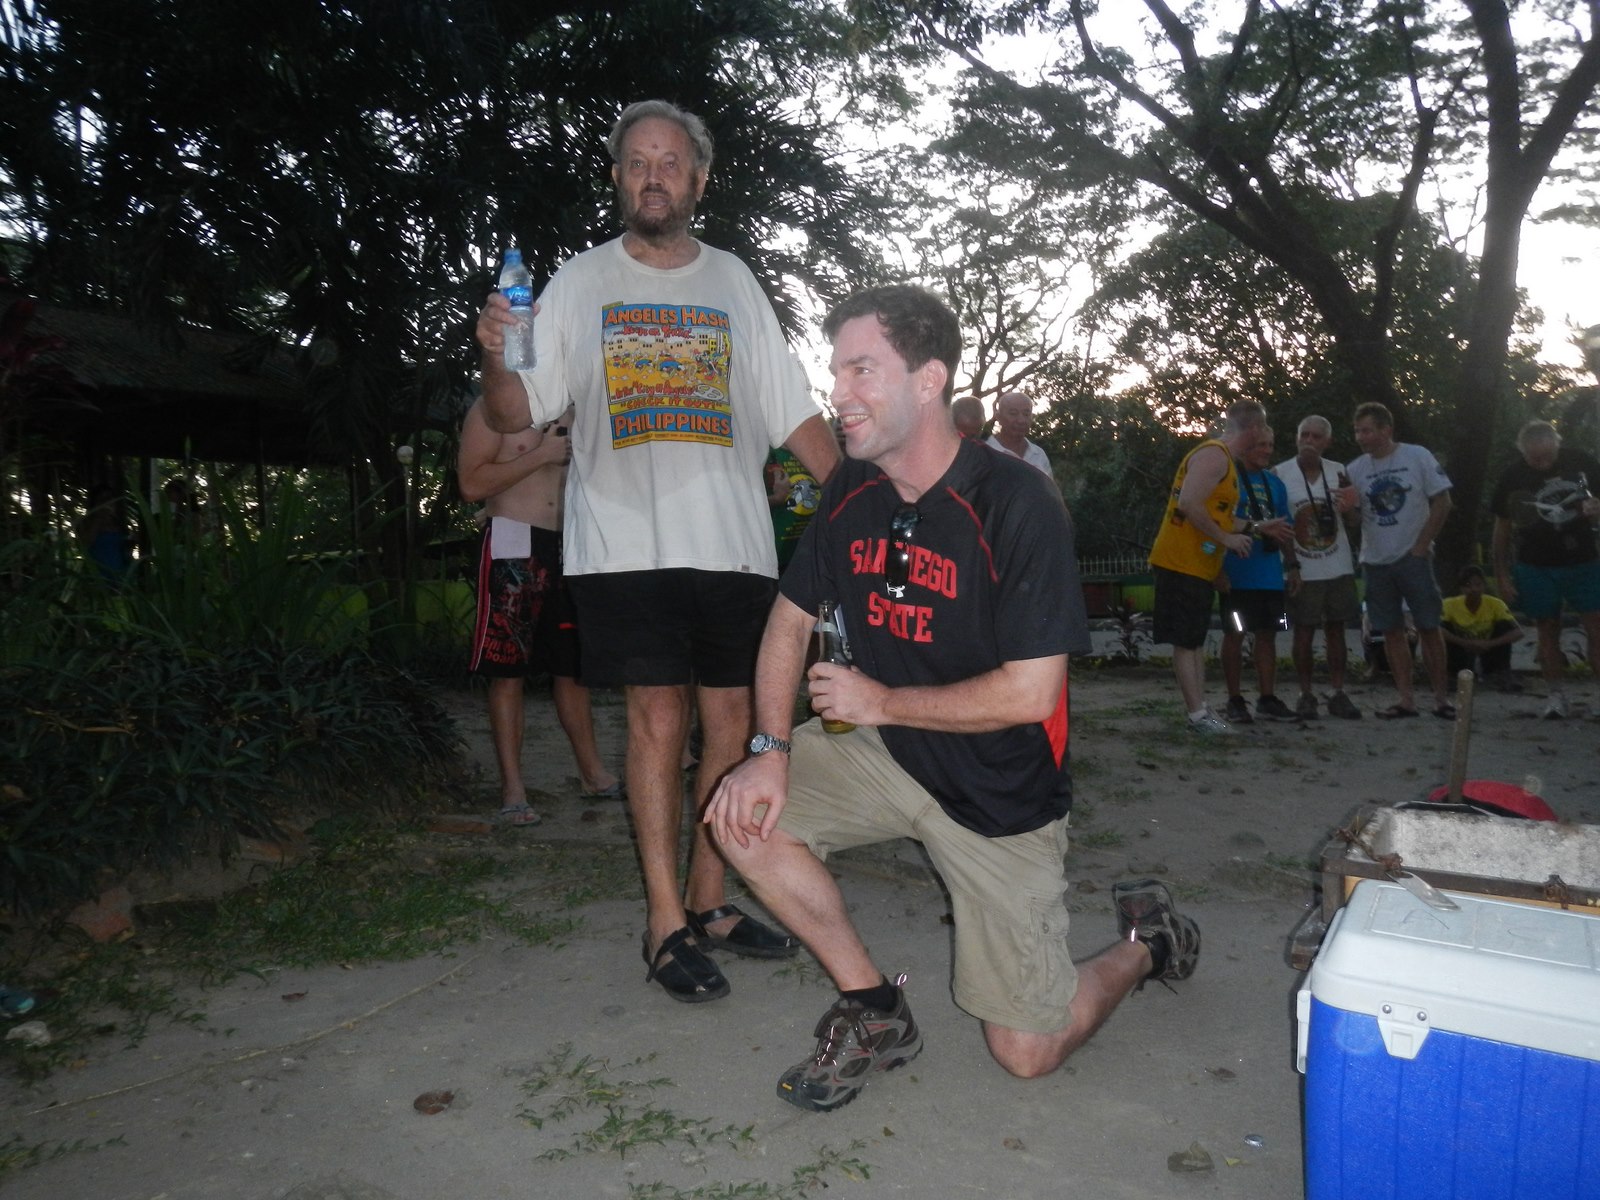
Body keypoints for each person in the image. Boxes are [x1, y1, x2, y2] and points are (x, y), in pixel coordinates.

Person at [705, 285, 1200, 1112]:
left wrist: (880, 702)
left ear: (929, 379)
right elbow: (788, 621)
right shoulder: (851, 488)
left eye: (862, 370)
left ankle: (1148, 943)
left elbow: (1032, 693)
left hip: (997, 789)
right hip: (887, 755)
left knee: (1026, 1052)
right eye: (836, 370)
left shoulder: (1017, 503)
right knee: (740, 815)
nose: (839, 392)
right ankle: (874, 1007)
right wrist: (769, 751)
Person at [473, 100, 838, 1002]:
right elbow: (516, 412)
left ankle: (711, 901)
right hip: (622, 546)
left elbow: (791, 409)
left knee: (731, 725)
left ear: (698, 180)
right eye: (637, 161)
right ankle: (664, 920)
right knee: (656, 721)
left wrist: (862, 501)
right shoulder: (580, 281)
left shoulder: (734, 281)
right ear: (617, 177)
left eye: (670, 162)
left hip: (734, 545)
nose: (654, 175)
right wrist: (496, 355)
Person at [458, 399, 622, 825]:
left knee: (571, 668)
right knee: (507, 670)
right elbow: (471, 485)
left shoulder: (578, 406)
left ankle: (593, 774)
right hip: (512, 541)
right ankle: (513, 790)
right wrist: (541, 455)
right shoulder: (494, 408)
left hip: (570, 548)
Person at [1148, 400, 1272, 734]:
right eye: (1262, 428)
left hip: (1197, 565)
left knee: (1194, 639)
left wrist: (1256, 528)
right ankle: (1197, 717)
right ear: (1253, 428)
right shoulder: (1214, 455)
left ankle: (1201, 709)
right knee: (1187, 641)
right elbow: (1189, 504)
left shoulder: (1225, 461)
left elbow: (1218, 514)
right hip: (1181, 562)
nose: (1264, 436)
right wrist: (1227, 539)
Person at [1338, 402, 1454, 719]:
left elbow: (1443, 501)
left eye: (1367, 430)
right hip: (1375, 561)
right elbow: (1355, 521)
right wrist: (1347, 509)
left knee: (1428, 626)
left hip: (1413, 557)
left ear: (1386, 429)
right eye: (1357, 431)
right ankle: (1406, 700)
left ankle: (1442, 700)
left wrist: (1422, 545)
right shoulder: (1354, 469)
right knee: (1390, 630)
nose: (1360, 437)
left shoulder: (1417, 456)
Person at [1490, 419, 1600, 718]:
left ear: (1557, 444)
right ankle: (1556, 697)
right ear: (1523, 452)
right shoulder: (1512, 476)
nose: (1542, 463)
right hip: (1535, 564)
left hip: (1583, 561)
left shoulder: (1581, 462)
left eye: (1548, 457)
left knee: (1596, 627)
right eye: (1535, 459)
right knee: (1547, 629)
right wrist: (1501, 574)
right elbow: (1502, 527)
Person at [1272, 415, 1363, 719]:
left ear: (1328, 442)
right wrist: (1292, 566)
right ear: (1297, 438)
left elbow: (1354, 521)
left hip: (1337, 563)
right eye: (1305, 435)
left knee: (1337, 630)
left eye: (1316, 437)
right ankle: (1305, 693)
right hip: (1303, 566)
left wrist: (1349, 509)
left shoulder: (1339, 472)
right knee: (1303, 631)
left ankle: (1337, 692)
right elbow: (1279, 523)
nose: (1309, 441)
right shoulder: (1280, 474)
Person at [1217, 426, 1299, 723]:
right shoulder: (1227, 479)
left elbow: (1285, 529)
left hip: (1269, 577)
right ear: (1245, 445)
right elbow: (1214, 522)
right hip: (1237, 576)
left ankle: (1267, 698)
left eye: (1270, 445)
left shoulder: (1274, 483)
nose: (1267, 450)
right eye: (1260, 445)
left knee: (1268, 635)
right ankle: (1235, 700)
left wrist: (1293, 566)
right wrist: (1217, 570)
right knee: (1235, 635)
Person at [1440, 565, 1524, 689]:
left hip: (1488, 648)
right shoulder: (1449, 604)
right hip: (1461, 648)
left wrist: (1489, 643)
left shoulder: (1496, 604)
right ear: (1461, 588)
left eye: (1478, 585)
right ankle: (1451, 674)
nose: (1474, 589)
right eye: (1468, 585)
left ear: (1484, 586)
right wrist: (1464, 643)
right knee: (1445, 629)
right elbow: (1438, 630)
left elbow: (1518, 632)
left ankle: (1500, 672)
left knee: (1503, 627)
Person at [765, 445, 821, 572]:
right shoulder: (766, 454)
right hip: (776, 558)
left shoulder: (817, 452)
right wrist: (776, 499)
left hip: (811, 555)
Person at [985, 391, 1052, 475]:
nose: (1021, 420)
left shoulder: (1038, 455)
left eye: (1026, 414)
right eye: (1013, 414)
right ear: (998, 417)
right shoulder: (984, 452)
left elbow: (1047, 483)